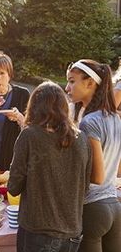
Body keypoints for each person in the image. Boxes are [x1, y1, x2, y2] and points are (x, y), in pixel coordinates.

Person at [8, 81, 91, 252]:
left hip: (38, 231)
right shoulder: (81, 138)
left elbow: (13, 187)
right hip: (72, 231)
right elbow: (85, 187)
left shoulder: (30, 136)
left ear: (34, 106)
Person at [66, 59, 121, 252]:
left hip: (93, 209)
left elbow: (96, 176)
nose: (67, 87)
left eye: (72, 81)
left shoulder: (88, 122)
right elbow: (118, 170)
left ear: (90, 83)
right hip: (114, 208)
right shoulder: (115, 117)